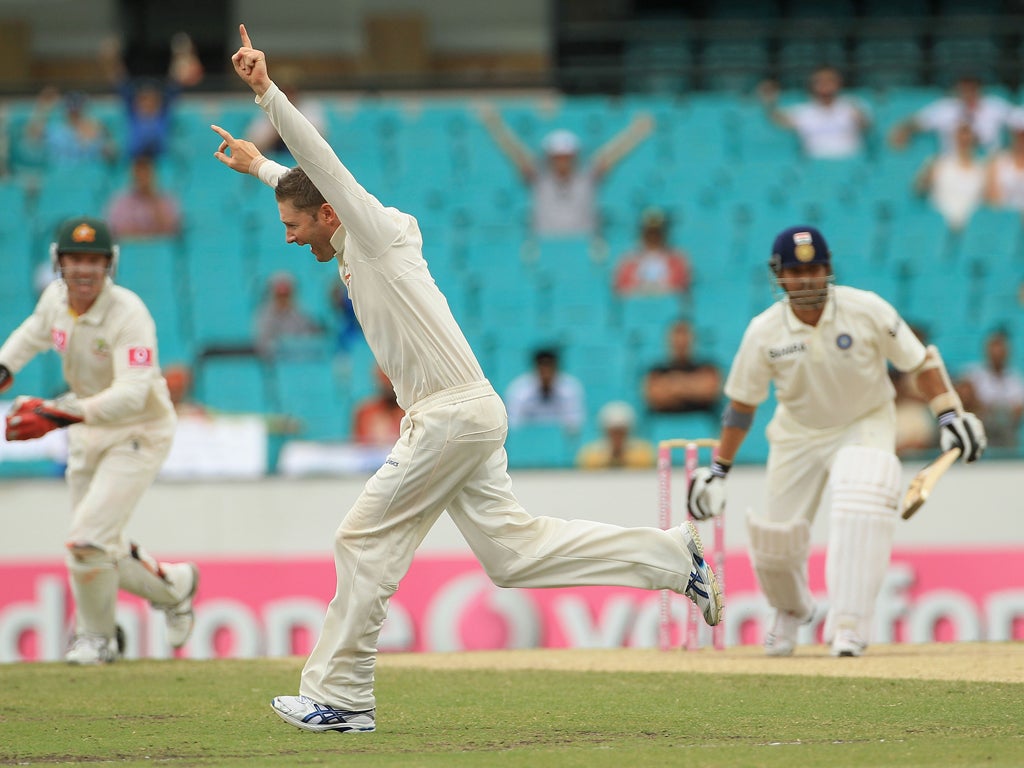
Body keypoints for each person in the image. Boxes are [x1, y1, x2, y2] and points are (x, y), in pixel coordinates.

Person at [211, 24, 721, 734]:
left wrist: (266, 95)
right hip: (462, 414)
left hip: (449, 414)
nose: (290, 239)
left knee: (361, 541)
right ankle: (672, 558)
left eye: (296, 226)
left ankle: (344, 696)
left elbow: (320, 168)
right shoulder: (347, 232)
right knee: (512, 555)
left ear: (330, 212)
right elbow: (304, 187)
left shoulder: (374, 232)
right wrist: (259, 171)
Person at [686, 225, 986, 659]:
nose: (806, 279)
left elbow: (918, 362)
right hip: (797, 432)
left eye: (815, 269)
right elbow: (741, 406)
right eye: (795, 270)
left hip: (863, 421)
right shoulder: (763, 331)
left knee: (861, 496)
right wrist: (718, 471)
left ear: (828, 270)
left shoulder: (866, 309)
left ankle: (849, 624)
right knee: (774, 540)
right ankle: (789, 611)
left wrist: (949, 412)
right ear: (779, 275)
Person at [0, 216, 199, 664]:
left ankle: (98, 639)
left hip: (138, 431)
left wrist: (55, 414)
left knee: (87, 539)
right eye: (75, 259)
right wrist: (5, 367)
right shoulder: (55, 300)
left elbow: (132, 393)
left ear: (110, 265)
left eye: (94, 260)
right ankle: (174, 585)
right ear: (59, 263)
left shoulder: (129, 314)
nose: (84, 270)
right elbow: (32, 333)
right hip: (86, 428)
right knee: (96, 542)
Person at [479, 104, 654, 238]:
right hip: (545, 246)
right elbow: (515, 153)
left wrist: (636, 132)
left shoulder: (587, 178)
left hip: (583, 245)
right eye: (557, 156)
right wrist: (493, 124)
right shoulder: (540, 179)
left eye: (566, 156)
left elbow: (610, 155)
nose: (562, 161)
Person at [99, 32, 204, 161]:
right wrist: (111, 59)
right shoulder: (133, 111)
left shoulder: (163, 110)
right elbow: (118, 80)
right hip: (134, 159)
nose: (146, 101)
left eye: (151, 98)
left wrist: (182, 54)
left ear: (158, 99)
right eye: (143, 98)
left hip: (161, 159)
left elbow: (176, 80)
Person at [758, 66, 871, 159]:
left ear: (838, 83)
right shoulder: (804, 111)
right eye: (820, 81)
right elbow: (778, 120)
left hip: (849, 161)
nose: (825, 85)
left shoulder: (852, 105)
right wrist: (770, 104)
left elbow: (867, 126)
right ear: (812, 85)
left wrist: (860, 118)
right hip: (814, 163)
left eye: (830, 80)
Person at [889, 73, 1011, 155]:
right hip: (952, 163)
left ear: (979, 90)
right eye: (964, 90)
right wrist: (903, 130)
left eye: (972, 89)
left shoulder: (995, 106)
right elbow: (916, 122)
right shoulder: (945, 108)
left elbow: (1018, 119)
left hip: (988, 163)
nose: (968, 94)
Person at [957, 328, 1024, 450]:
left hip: (1005, 427)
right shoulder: (974, 374)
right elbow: (966, 401)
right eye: (994, 349)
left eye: (1000, 350)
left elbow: (1017, 411)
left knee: (1002, 419)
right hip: (979, 424)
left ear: (1007, 352)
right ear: (987, 351)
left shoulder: (1015, 379)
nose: (997, 354)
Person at [913, 122, 986, 231]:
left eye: (968, 138)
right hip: (937, 227)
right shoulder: (937, 163)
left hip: (971, 229)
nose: (964, 141)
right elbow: (918, 190)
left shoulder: (983, 169)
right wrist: (925, 178)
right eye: (960, 136)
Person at [245, 65, 327, 163]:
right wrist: (278, 122)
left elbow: (320, 143)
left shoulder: (310, 109)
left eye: (290, 91)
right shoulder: (266, 112)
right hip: (276, 167)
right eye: (283, 91)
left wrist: (288, 122)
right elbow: (254, 148)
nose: (287, 96)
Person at [643, 319, 722, 416]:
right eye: (676, 339)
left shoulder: (708, 366)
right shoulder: (656, 370)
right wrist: (693, 386)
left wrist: (673, 384)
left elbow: (710, 392)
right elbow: (655, 396)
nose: (681, 343)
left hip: (701, 425)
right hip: (665, 425)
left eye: (685, 338)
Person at [612, 208, 692, 297]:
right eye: (650, 232)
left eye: (657, 232)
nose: (653, 236)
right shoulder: (629, 261)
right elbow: (620, 290)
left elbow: (682, 288)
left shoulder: (677, 259)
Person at [504, 348, 586, 434]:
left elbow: (575, 425)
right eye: (542, 367)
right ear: (535, 368)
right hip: (528, 442)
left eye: (549, 367)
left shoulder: (571, 389)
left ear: (556, 367)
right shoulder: (518, 391)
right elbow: (513, 425)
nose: (546, 373)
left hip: (560, 443)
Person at [105, 152, 182, 238]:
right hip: (129, 250)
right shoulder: (120, 201)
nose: (142, 176)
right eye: (139, 171)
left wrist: (154, 200)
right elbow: (116, 231)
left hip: (160, 249)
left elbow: (171, 231)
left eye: (146, 171)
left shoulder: (166, 200)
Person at [253, 270, 323, 357]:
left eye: (286, 294)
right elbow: (262, 343)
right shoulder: (264, 315)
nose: (283, 298)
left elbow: (310, 339)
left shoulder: (302, 313)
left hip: (300, 360)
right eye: (279, 294)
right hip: (275, 362)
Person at [576, 400, 655, 469]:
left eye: (621, 432)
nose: (617, 437)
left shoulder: (644, 451)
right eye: (613, 432)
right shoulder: (589, 453)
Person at [351, 366, 404, 446]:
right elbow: (359, 449)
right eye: (385, 379)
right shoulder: (365, 413)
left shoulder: (411, 413)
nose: (389, 385)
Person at [984, 108, 1024, 211]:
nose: (1021, 138)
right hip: (1006, 220)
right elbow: (993, 198)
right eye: (1018, 133)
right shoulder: (997, 161)